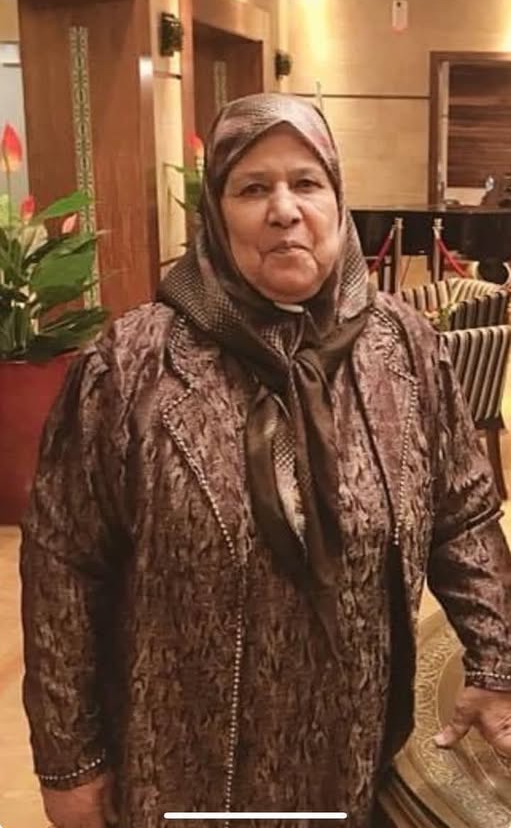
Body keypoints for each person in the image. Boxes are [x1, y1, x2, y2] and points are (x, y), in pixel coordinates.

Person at [21, 93, 511, 828]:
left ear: (337, 201)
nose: (285, 210)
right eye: (253, 188)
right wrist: (69, 762)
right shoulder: (130, 365)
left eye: (306, 183)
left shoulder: (403, 349)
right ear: (216, 215)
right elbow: (63, 568)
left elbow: (462, 519)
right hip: (181, 765)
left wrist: (496, 662)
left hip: (351, 759)